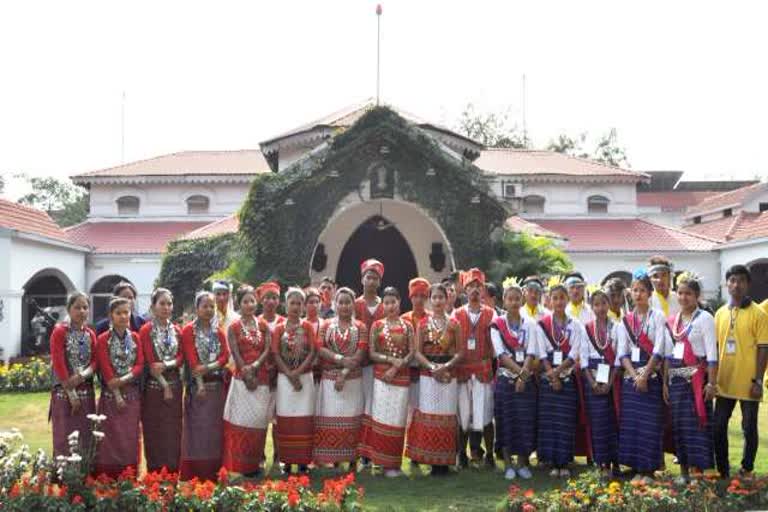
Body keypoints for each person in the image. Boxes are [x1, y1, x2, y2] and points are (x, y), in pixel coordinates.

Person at [713, 264, 768, 479]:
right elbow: (715, 349)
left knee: (749, 428)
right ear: (727, 283)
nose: (736, 285)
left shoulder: (759, 314)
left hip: (748, 383)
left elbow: (764, 348)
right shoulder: (719, 314)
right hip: (724, 382)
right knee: (718, 427)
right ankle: (723, 470)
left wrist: (757, 380)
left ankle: (746, 469)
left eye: (741, 281)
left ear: (748, 285)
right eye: (733, 280)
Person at [616, 270, 670, 483]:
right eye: (635, 290)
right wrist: (634, 376)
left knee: (650, 424)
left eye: (643, 290)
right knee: (633, 424)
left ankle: (648, 469)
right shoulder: (625, 321)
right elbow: (622, 353)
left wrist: (645, 375)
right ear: (630, 293)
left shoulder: (657, 316)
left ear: (650, 293)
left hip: (652, 378)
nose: (638, 294)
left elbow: (659, 347)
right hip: (632, 381)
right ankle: (635, 466)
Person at [663, 272, 718, 484]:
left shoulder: (705, 319)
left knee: (698, 425)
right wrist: (666, 383)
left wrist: (712, 383)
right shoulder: (673, 320)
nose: (684, 297)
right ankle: (684, 471)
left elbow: (712, 356)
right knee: (679, 425)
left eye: (688, 294)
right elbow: (668, 354)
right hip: (676, 381)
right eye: (681, 293)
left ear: (697, 296)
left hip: (698, 381)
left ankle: (699, 471)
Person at [406, 282, 464, 476]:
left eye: (441, 297)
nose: (438, 301)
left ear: (447, 299)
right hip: (428, 376)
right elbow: (417, 352)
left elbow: (460, 353)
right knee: (429, 415)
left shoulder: (455, 324)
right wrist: (432, 368)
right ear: (430, 301)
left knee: (447, 416)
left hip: (448, 376)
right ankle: (430, 459)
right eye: (434, 297)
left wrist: (445, 367)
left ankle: (446, 462)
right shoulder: (422, 324)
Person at [359, 287, 415, 477]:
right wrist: (391, 361)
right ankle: (379, 462)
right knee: (381, 419)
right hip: (382, 379)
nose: (390, 306)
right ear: (383, 304)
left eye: (394, 302)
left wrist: (397, 367)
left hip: (401, 378)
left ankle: (394, 464)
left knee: (397, 420)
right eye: (387, 302)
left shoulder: (407, 325)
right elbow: (372, 353)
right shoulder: (377, 326)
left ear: (400, 302)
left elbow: (412, 352)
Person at [535, 283, 586, 478]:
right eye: (554, 298)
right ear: (549, 300)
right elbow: (541, 352)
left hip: (567, 378)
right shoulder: (542, 324)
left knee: (565, 420)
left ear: (567, 300)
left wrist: (558, 373)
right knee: (549, 420)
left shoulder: (576, 325)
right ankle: (550, 461)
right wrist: (552, 374)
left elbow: (575, 353)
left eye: (561, 298)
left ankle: (564, 461)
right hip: (549, 379)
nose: (558, 302)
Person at [222, 285, 273, 477]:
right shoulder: (234, 327)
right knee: (241, 422)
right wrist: (246, 370)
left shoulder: (263, 325)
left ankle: (254, 465)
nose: (250, 304)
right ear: (239, 304)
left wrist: (256, 366)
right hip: (242, 380)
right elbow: (234, 351)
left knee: (258, 423)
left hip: (262, 379)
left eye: (252, 301)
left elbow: (267, 349)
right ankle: (239, 465)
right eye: (245, 301)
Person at [314, 287, 368, 468]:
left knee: (352, 417)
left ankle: (353, 459)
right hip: (330, 380)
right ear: (335, 304)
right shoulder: (326, 325)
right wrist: (341, 359)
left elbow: (360, 354)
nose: (344, 306)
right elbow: (320, 348)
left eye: (348, 302)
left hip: (352, 380)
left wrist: (344, 373)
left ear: (354, 304)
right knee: (332, 417)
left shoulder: (360, 327)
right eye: (341, 302)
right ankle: (334, 459)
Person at [490, 280, 538, 481]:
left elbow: (531, 351)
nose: (514, 302)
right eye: (510, 298)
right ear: (504, 300)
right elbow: (501, 355)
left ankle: (522, 462)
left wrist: (523, 376)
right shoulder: (496, 325)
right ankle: (509, 464)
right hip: (506, 379)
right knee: (506, 421)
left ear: (523, 299)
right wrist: (520, 374)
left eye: (518, 298)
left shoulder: (530, 324)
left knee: (525, 421)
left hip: (525, 381)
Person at [179, 291, 230, 481]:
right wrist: (200, 382)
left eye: (212, 306)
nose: (209, 310)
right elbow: (192, 361)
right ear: (197, 308)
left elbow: (225, 356)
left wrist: (209, 366)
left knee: (215, 430)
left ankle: (215, 471)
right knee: (197, 429)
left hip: (217, 389)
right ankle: (195, 472)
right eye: (205, 306)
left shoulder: (219, 331)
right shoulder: (188, 331)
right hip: (198, 390)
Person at [93, 297, 144, 477]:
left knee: (129, 436)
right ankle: (108, 476)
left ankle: (129, 474)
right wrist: (117, 392)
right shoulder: (102, 339)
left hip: (131, 395)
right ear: (110, 316)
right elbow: (106, 370)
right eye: (119, 313)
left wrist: (123, 379)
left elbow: (139, 364)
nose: (123, 316)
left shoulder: (136, 338)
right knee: (110, 435)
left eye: (126, 312)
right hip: (111, 397)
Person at [453, 268, 497, 469]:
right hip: (462, 372)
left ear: (483, 290)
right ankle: (462, 454)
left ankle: (489, 455)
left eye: (478, 286)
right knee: (463, 415)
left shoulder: (491, 313)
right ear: (464, 289)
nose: (474, 290)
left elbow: (497, 345)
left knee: (486, 415)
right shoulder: (456, 314)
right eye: (470, 286)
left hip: (483, 371)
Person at [272, 287, 317, 473]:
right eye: (292, 303)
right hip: (285, 380)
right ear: (285, 305)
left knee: (304, 420)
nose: (296, 307)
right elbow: (275, 353)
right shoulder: (279, 328)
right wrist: (290, 375)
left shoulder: (307, 327)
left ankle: (304, 461)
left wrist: (298, 372)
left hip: (305, 379)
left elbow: (313, 351)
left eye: (299, 303)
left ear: (304, 306)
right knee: (286, 419)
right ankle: (287, 462)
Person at [139, 288, 183, 473]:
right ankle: (155, 473)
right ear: (153, 307)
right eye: (162, 303)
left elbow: (181, 357)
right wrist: (164, 385)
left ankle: (173, 472)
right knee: (154, 430)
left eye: (169, 303)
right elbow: (150, 362)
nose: (166, 307)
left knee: (173, 431)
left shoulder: (177, 330)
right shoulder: (146, 330)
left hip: (175, 385)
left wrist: (166, 364)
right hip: (154, 389)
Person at [50, 292, 98, 458]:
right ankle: (64, 476)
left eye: (85, 307)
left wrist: (82, 376)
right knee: (65, 434)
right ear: (69, 309)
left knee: (85, 433)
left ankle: (84, 474)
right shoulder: (60, 331)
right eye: (77, 307)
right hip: (64, 393)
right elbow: (58, 362)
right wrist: (71, 393)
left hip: (86, 392)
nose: (81, 311)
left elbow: (95, 362)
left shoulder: (90, 334)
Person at [581, 289, 620, 478]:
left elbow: (619, 358)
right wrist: (593, 383)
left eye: (604, 303)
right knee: (597, 423)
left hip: (613, 383)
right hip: (593, 383)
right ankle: (601, 463)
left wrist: (610, 383)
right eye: (596, 304)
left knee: (614, 422)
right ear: (591, 306)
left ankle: (615, 461)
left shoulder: (617, 327)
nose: (600, 308)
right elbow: (582, 360)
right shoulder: (586, 328)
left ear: (609, 305)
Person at [354, 259, 385, 465]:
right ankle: (360, 450)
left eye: (375, 277)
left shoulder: (386, 305)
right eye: (368, 277)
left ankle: (374, 450)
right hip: (359, 364)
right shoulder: (354, 304)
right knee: (360, 404)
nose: (371, 281)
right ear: (362, 279)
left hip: (380, 365)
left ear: (379, 281)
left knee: (376, 406)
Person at [402, 278, 430, 429]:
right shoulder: (403, 319)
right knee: (409, 409)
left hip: (426, 370)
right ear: (410, 297)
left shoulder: (432, 318)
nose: (418, 299)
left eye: (422, 296)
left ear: (426, 298)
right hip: (407, 370)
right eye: (415, 295)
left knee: (424, 406)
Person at [304, 287, 324, 384]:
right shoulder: (300, 324)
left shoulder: (325, 324)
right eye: (311, 302)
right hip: (304, 370)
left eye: (317, 302)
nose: (315, 305)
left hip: (321, 371)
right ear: (304, 305)